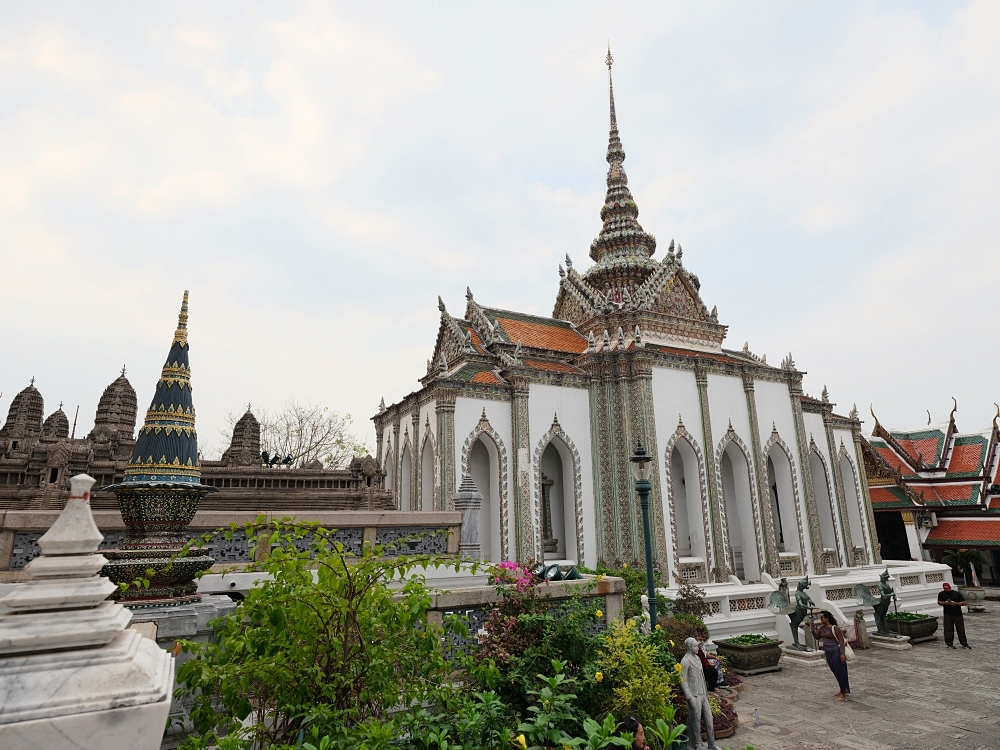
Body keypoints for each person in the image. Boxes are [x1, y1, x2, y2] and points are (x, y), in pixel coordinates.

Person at [681, 637, 720, 750]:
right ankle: (697, 744)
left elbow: (702, 677)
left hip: (703, 693)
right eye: (695, 646)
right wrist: (689, 697)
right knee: (695, 720)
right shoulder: (685, 661)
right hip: (694, 695)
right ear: (689, 647)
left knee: (709, 718)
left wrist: (707, 692)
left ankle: (711, 743)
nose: (698, 648)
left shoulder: (698, 658)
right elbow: (682, 680)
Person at [811, 610, 850, 701]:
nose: (820, 619)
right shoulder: (822, 628)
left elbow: (841, 640)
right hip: (828, 653)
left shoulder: (834, 628)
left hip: (836, 652)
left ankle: (843, 693)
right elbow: (817, 637)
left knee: (840, 672)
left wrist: (842, 653)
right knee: (835, 671)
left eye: (822, 617)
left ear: (827, 618)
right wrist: (812, 630)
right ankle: (842, 689)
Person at [937, 582, 970, 649]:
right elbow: (939, 602)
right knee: (948, 629)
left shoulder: (956, 593)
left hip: (957, 614)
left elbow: (964, 602)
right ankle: (949, 644)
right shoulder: (941, 594)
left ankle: (964, 643)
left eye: (948, 589)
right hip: (947, 614)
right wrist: (945, 603)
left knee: (960, 629)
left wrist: (955, 603)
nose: (947, 590)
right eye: (945, 589)